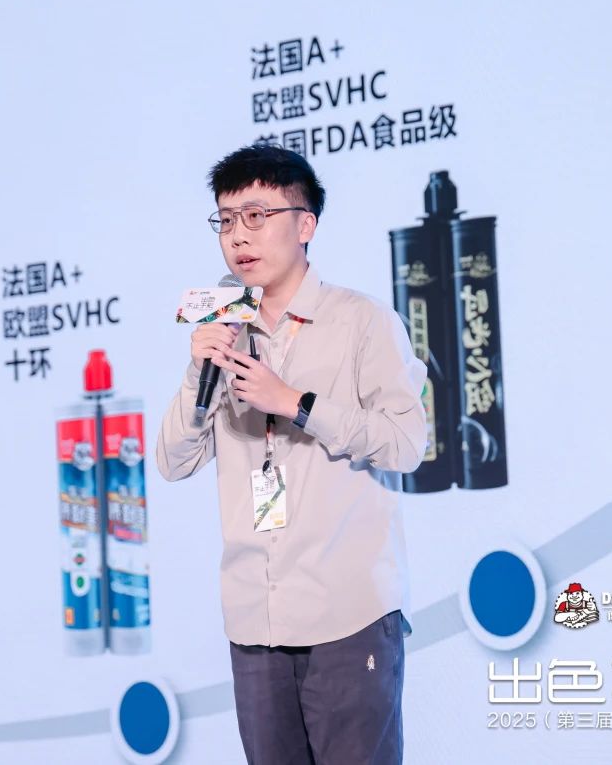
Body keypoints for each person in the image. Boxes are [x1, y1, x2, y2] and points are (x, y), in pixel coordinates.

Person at [156, 145, 428, 764]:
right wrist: (200, 369)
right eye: (226, 220)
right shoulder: (225, 331)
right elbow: (173, 461)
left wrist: (297, 403)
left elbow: (407, 443)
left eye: (256, 216)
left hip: (347, 612)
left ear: (306, 225)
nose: (237, 236)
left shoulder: (361, 321)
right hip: (255, 619)